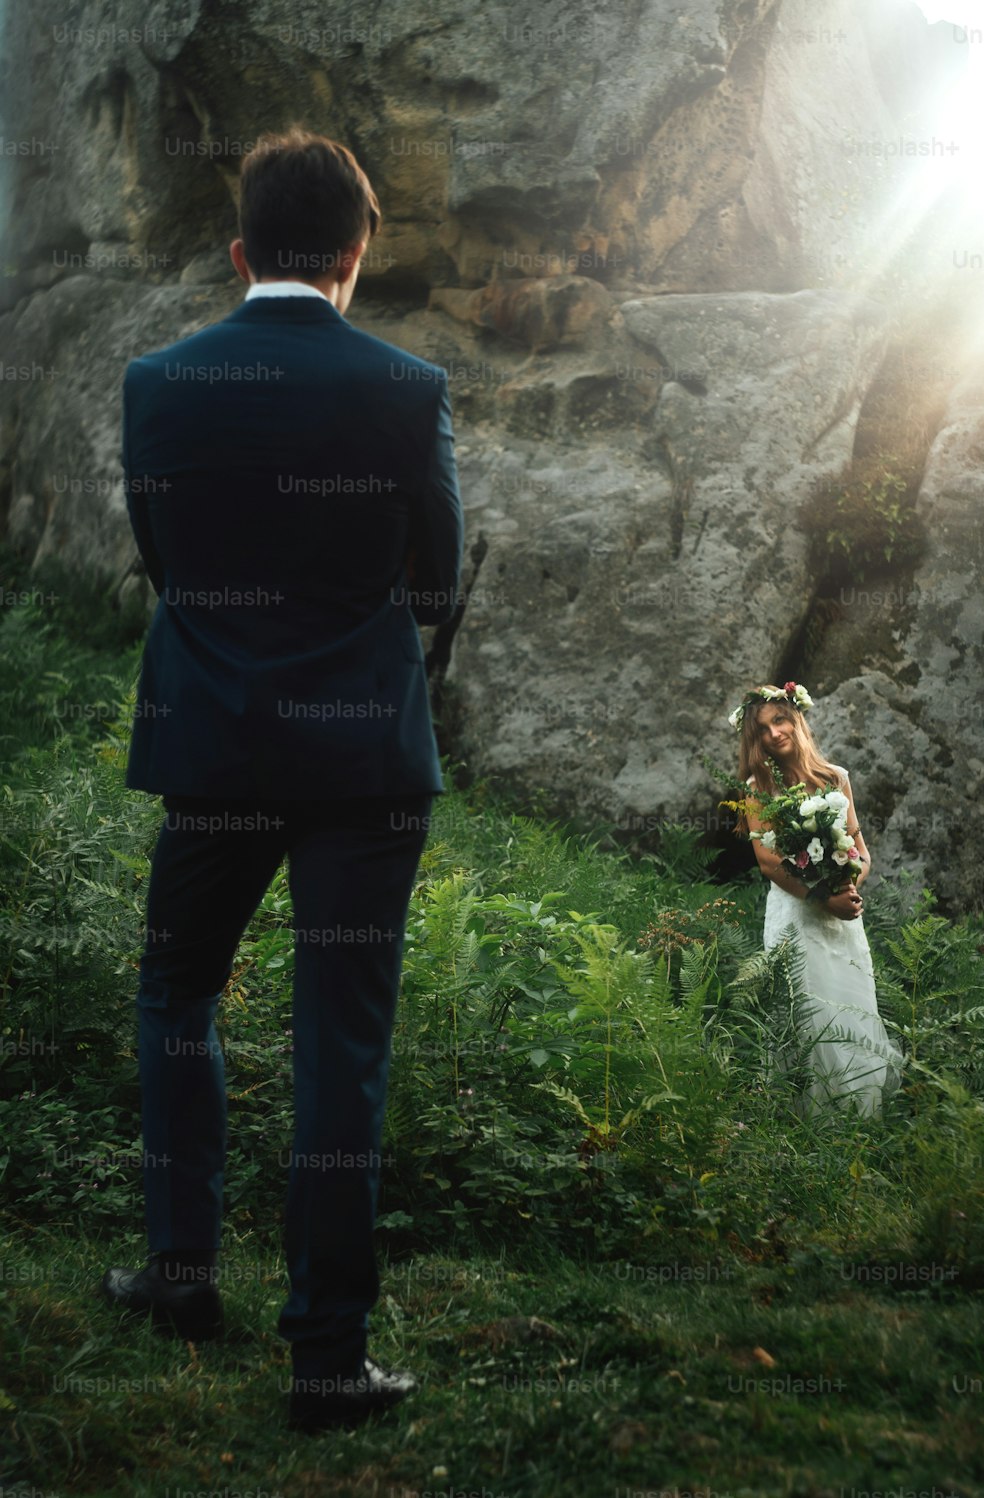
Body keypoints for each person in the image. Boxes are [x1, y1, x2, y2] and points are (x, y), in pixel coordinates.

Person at [101, 126, 464, 1433]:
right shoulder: (408, 386)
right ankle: (326, 1354)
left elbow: (162, 556)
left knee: (176, 993)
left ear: (242, 250)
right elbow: (437, 578)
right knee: (341, 1043)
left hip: (212, 742)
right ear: (356, 258)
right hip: (365, 756)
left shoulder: (158, 381)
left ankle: (181, 1270)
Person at [730, 683, 903, 1119]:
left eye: (780, 720)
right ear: (755, 740)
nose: (773, 734)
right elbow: (770, 864)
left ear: (797, 720)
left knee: (848, 999)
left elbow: (861, 852)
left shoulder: (835, 778)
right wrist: (822, 897)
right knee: (802, 1004)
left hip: (843, 914)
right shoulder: (758, 788)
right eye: (763, 729)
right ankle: (800, 1117)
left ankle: (857, 1114)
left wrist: (849, 882)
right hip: (797, 914)